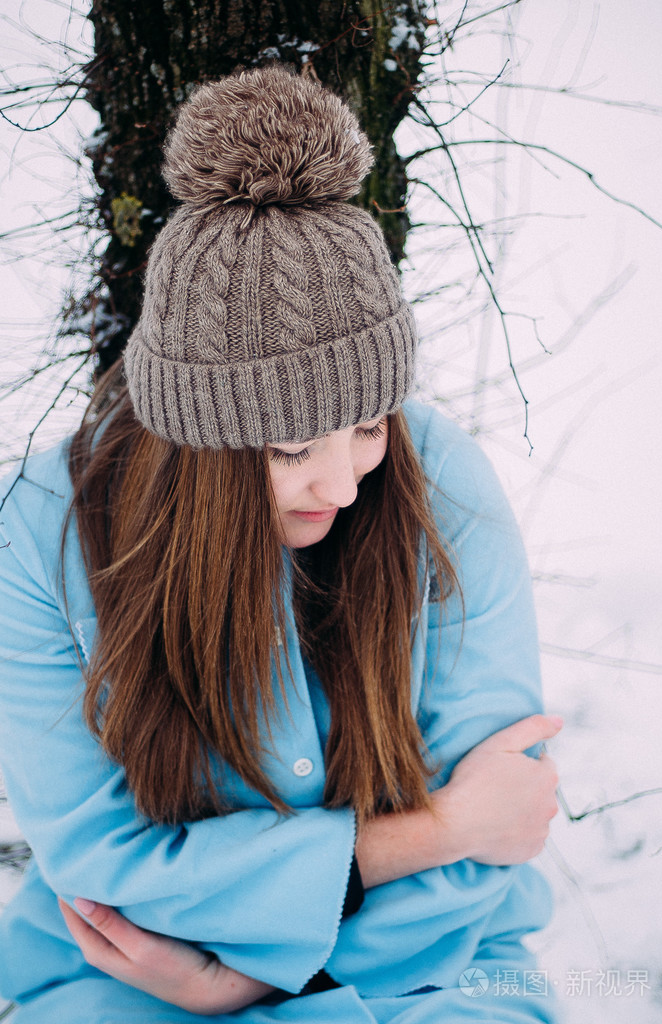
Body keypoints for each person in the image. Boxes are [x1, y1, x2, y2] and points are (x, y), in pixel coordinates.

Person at [0, 66, 561, 1023]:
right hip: (127, 980)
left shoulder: (439, 479)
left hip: (435, 968)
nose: (344, 484)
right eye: (292, 446)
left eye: (369, 427)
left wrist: (254, 979)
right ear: (199, 449)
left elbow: (498, 818)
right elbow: (101, 863)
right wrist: (427, 830)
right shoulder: (44, 531)